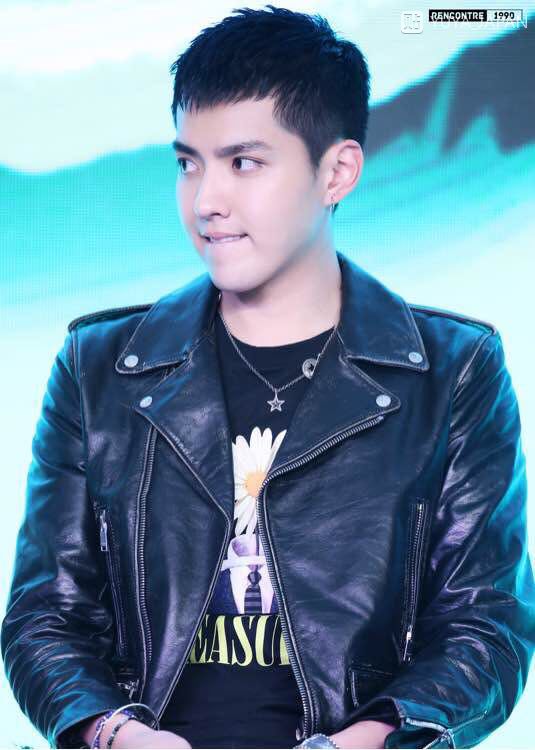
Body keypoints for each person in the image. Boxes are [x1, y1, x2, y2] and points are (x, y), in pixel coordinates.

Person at [2, 4, 535, 749]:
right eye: (188, 163)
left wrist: (359, 743)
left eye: (243, 163)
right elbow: (44, 617)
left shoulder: (452, 370)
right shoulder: (100, 366)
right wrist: (118, 736)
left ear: (336, 172)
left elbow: (486, 628)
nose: (206, 202)